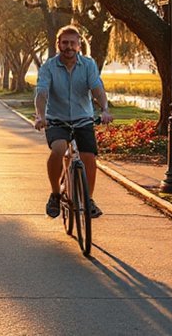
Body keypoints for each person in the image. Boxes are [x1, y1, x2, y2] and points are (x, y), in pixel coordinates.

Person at [33, 25, 113, 219]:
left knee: (88, 157)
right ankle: (54, 194)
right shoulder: (49, 67)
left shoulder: (88, 65)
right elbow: (42, 93)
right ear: (58, 44)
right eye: (64, 43)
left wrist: (104, 109)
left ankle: (89, 199)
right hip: (57, 120)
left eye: (72, 43)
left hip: (83, 119)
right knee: (59, 150)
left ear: (79, 45)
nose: (68, 46)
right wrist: (40, 116)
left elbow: (96, 88)